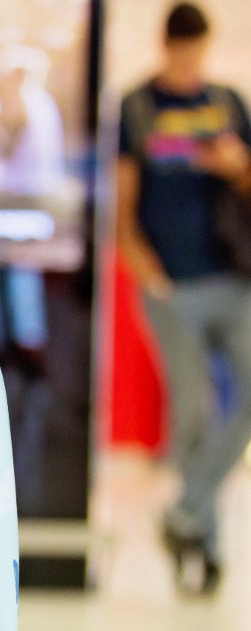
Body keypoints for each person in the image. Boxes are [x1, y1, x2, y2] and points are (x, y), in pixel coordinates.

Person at [117, 2, 251, 595]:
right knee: (195, 412)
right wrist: (145, 268)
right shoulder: (138, 106)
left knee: (241, 407)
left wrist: (237, 167)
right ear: (167, 46)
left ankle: (186, 514)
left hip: (233, 278)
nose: (190, 61)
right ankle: (205, 546)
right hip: (172, 285)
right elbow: (123, 198)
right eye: (182, 50)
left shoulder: (228, 101)